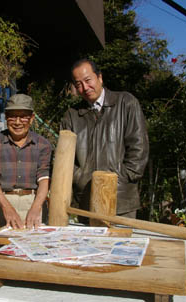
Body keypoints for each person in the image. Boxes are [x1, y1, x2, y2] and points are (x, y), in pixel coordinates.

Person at [60, 58, 149, 220]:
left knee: (123, 245)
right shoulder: (72, 116)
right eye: (78, 84)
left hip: (121, 201)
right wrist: (80, 178)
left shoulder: (126, 103)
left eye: (88, 80)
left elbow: (139, 147)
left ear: (99, 77)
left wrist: (122, 176)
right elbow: (64, 157)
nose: (85, 88)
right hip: (86, 201)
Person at [0, 94, 52, 254]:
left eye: (23, 117)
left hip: (33, 201)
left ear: (32, 118)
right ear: (6, 118)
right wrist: (7, 207)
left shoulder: (43, 144)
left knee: (34, 254)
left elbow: (44, 178)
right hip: (0, 204)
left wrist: (36, 207)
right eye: (13, 116)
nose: (18, 122)